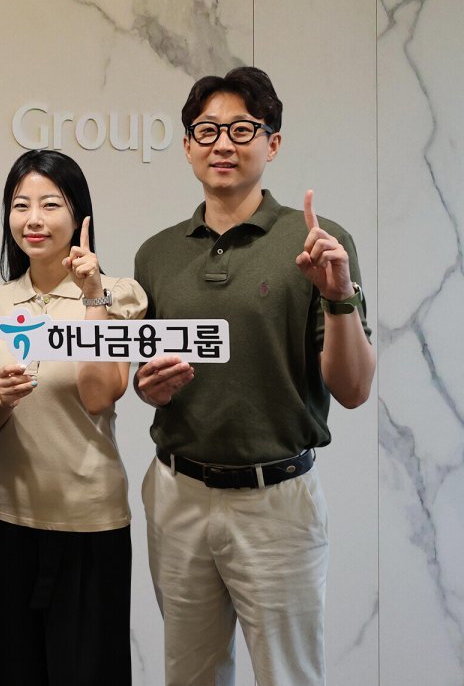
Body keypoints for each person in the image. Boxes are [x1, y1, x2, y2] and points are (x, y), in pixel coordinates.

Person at [133, 66, 375, 685]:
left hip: (278, 503)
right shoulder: (156, 253)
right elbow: (147, 369)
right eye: (207, 130)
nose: (223, 144)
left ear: (273, 143)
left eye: (242, 129)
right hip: (177, 494)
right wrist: (146, 386)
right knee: (189, 676)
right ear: (187, 145)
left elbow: (353, 389)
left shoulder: (317, 242)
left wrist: (339, 295)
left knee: (289, 676)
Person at [0, 150, 145, 685]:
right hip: (9, 519)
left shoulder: (118, 295)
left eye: (50, 204)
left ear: (78, 216)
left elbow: (101, 395)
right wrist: (3, 400)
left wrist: (93, 296)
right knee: (13, 670)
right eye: (20, 205)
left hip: (91, 521)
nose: (34, 219)